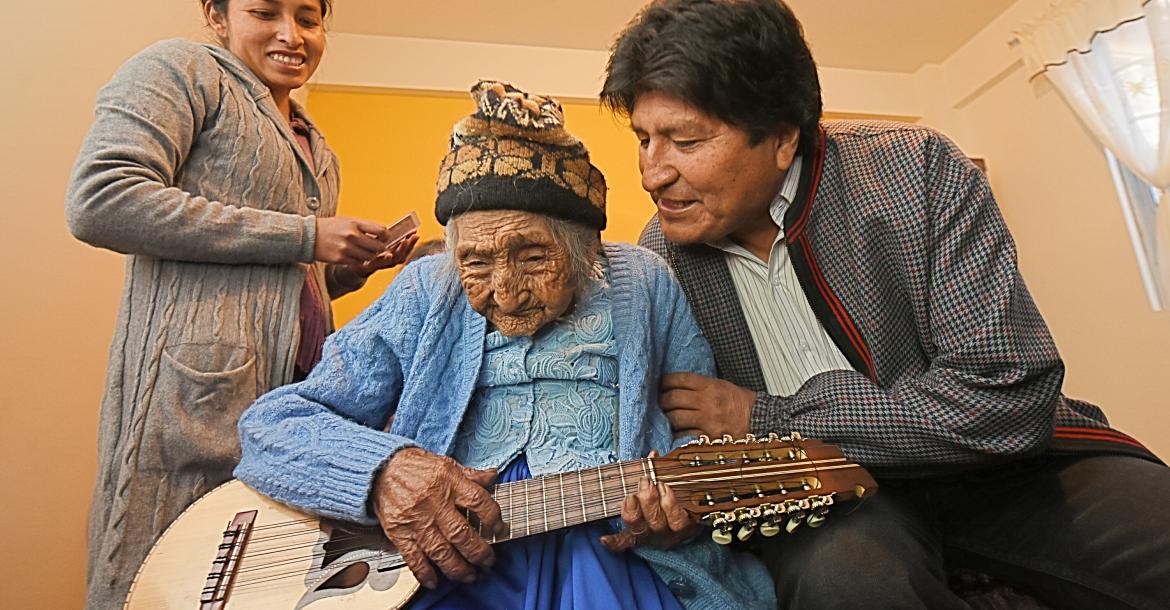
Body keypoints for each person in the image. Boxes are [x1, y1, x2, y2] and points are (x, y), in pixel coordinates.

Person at [600, 1, 1170, 608]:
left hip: (1016, 472)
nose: (652, 172)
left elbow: (1004, 400)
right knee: (844, 580)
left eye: (685, 140)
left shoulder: (914, 169)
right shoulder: (658, 260)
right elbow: (677, 440)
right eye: (643, 138)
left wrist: (766, 418)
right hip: (826, 502)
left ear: (783, 137)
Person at [234, 80, 775, 610]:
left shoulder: (644, 279)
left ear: (586, 249)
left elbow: (700, 436)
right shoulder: (427, 285)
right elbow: (273, 424)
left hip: (605, 542)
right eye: (475, 262)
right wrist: (386, 471)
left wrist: (673, 509)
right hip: (451, 552)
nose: (508, 293)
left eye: (534, 257)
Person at [65, 1, 417, 607]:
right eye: (264, 11)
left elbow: (273, 282)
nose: (292, 34)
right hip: (192, 400)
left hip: (291, 409)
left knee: (256, 588)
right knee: (161, 578)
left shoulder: (316, 146)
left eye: (309, 18)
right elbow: (101, 198)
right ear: (216, 14)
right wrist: (307, 236)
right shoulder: (180, 71)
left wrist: (341, 270)